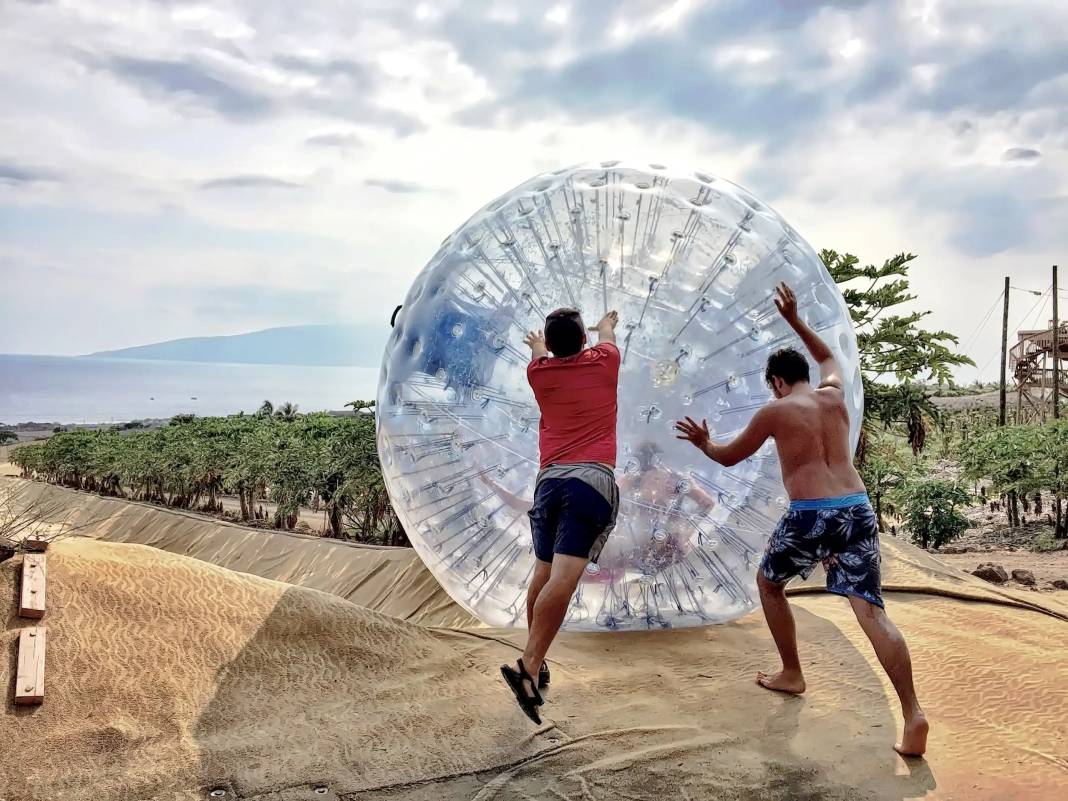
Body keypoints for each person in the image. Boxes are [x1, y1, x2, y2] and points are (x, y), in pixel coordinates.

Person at [674, 283, 929, 758]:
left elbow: (729, 458)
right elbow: (830, 357)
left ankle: (792, 672)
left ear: (775, 382)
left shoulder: (775, 410)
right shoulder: (835, 397)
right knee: (872, 612)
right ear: (803, 375)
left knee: (769, 584)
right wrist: (794, 319)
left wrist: (702, 443)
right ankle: (913, 714)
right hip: (857, 508)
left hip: (812, 515)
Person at [500, 307, 621, 724]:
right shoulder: (606, 361)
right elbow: (607, 333)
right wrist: (606, 323)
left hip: (548, 483)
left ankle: (537, 663)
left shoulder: (540, 374)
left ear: (550, 346)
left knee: (544, 573)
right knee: (564, 581)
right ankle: (527, 667)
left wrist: (538, 345)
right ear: (585, 342)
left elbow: (538, 354)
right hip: (589, 481)